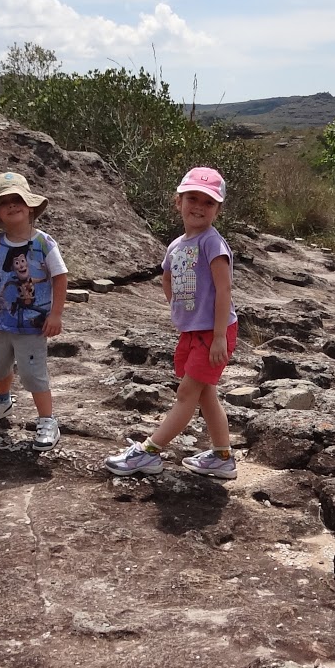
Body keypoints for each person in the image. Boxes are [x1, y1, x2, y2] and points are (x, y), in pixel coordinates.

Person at [104, 166, 239, 478]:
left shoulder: (212, 243)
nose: (199, 207)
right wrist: (180, 308)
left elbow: (224, 289)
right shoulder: (178, 245)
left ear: (218, 209)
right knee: (206, 394)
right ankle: (222, 456)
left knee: (186, 395)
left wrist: (219, 335)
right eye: (193, 198)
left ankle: (149, 452)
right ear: (178, 201)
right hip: (194, 330)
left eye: (208, 202)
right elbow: (167, 277)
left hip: (213, 332)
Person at [0, 171, 69, 449]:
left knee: (33, 373)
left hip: (33, 323)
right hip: (2, 321)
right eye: (5, 202)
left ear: (30, 206)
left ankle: (48, 420)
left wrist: (56, 314)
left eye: (18, 200)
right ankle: (2, 402)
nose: (13, 205)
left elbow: (60, 277)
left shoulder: (44, 243)